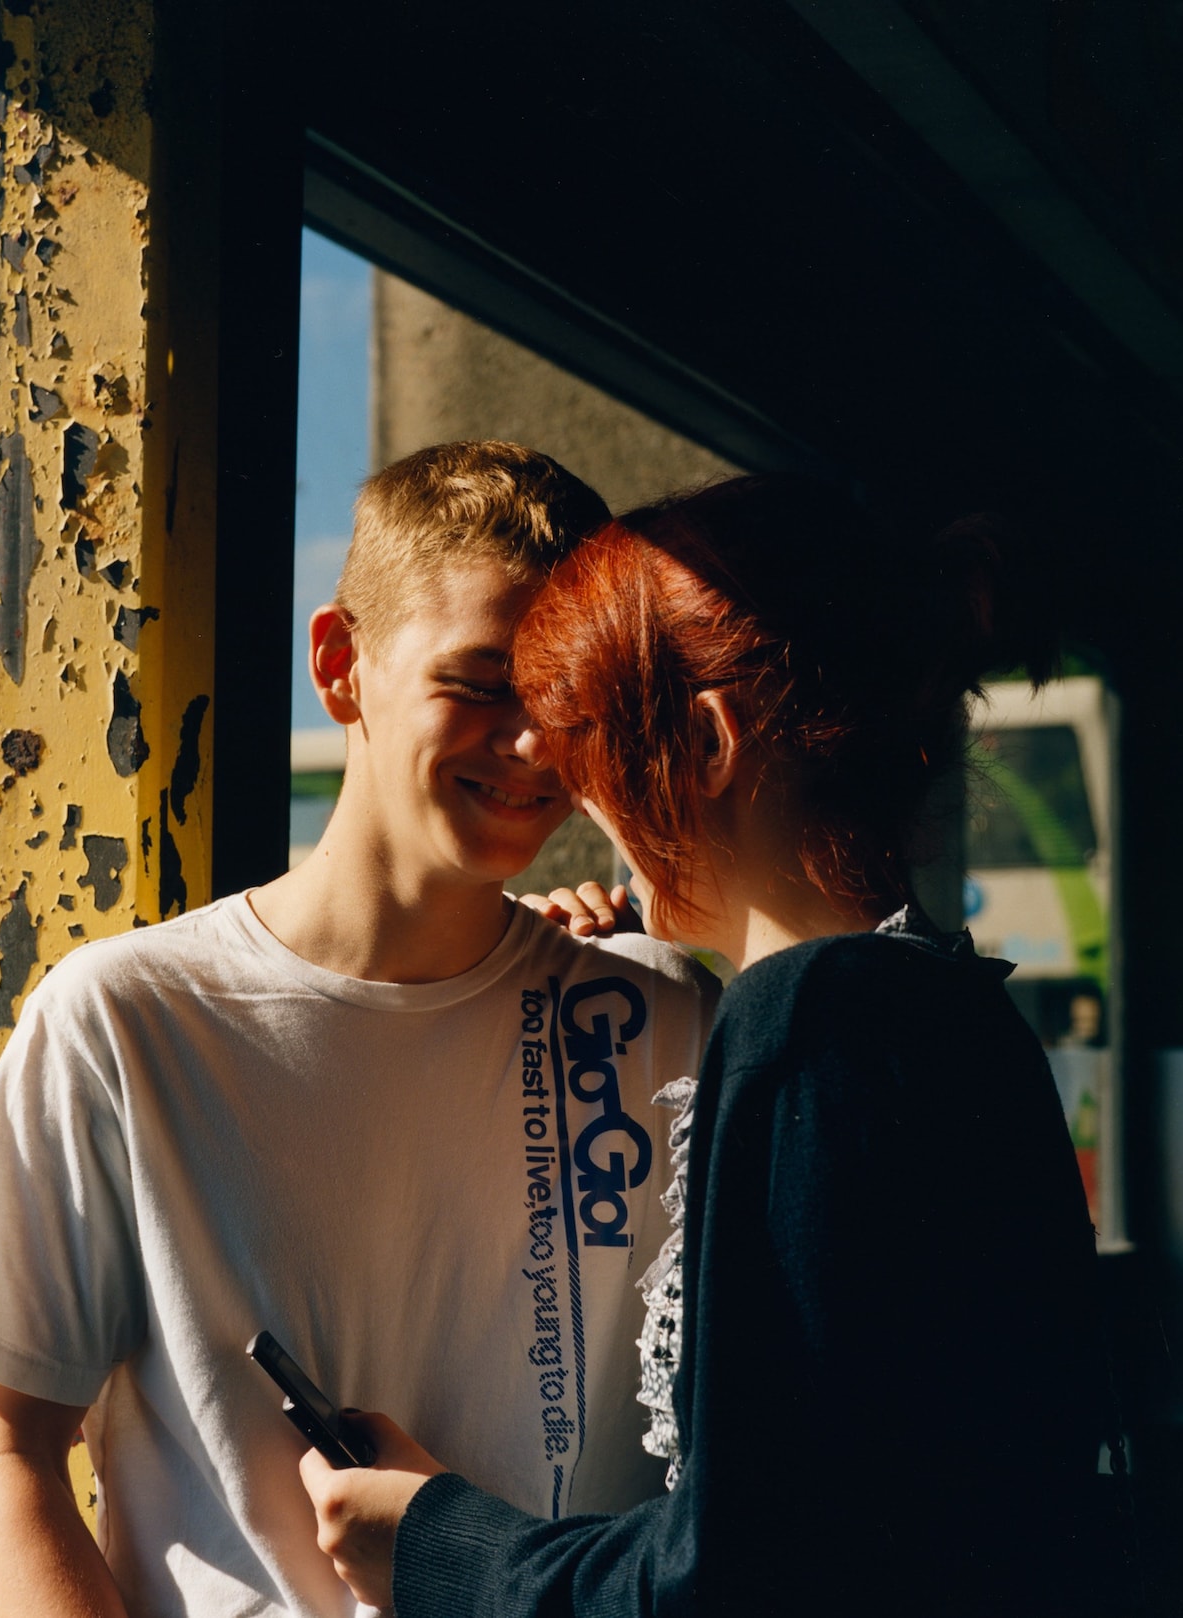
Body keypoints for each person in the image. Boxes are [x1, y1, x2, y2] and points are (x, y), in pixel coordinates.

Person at [0, 441, 718, 1618]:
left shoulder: (659, 1019)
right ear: (340, 664)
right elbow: (4, 1453)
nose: (534, 743)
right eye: (479, 684)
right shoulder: (124, 1018)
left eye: (569, 700)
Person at [300, 474, 1108, 1617]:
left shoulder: (803, 1028)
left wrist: (438, 1544)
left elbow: (734, 1574)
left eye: (592, 744)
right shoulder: (956, 1011)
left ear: (703, 740)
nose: (578, 797)